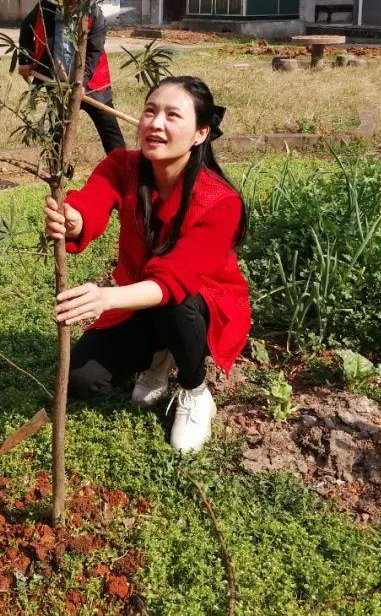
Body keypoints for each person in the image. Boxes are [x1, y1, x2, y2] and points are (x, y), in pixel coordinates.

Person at [44, 76, 250, 453]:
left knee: (177, 305)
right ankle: (159, 355)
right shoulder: (123, 165)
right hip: (139, 302)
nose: (155, 124)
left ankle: (193, 387)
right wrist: (74, 219)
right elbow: (93, 200)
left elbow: (176, 280)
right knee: (82, 380)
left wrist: (106, 297)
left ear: (201, 133)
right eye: (150, 111)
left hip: (200, 305)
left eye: (173, 116)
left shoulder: (220, 201)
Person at [18, 0, 126, 154]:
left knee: (110, 131)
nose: (72, 4)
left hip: (93, 84)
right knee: (58, 134)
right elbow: (26, 26)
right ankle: (59, 174)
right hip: (58, 85)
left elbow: (94, 50)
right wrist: (24, 59)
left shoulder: (93, 11)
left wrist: (82, 82)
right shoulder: (47, 3)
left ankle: (123, 172)